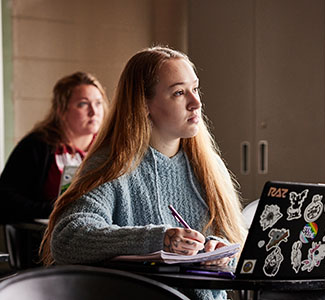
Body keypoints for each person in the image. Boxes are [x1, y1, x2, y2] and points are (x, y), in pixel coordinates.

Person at [41, 46, 247, 300]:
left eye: (195, 89)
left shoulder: (211, 167)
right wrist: (159, 239)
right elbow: (67, 238)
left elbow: (240, 256)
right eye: (180, 93)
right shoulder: (113, 166)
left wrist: (222, 251)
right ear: (144, 103)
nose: (196, 103)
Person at [0, 71, 108, 224]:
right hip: (44, 234)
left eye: (98, 103)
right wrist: (52, 210)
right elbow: (6, 197)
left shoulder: (109, 146)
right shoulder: (37, 145)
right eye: (83, 104)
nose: (94, 112)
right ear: (62, 110)